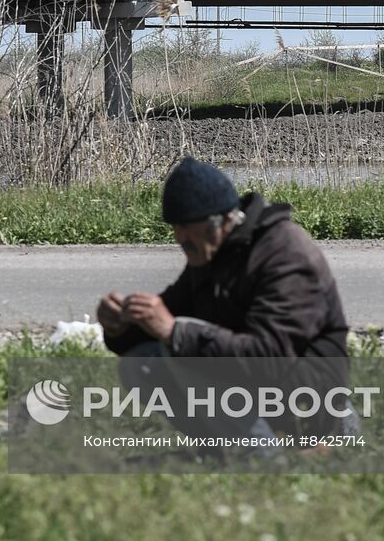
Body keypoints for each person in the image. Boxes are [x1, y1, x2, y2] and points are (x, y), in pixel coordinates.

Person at [97, 156, 350, 439]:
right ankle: (220, 449)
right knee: (141, 363)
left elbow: (269, 358)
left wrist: (175, 332)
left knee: (185, 353)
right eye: (175, 227)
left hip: (311, 394)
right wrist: (121, 325)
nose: (180, 238)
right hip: (257, 383)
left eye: (187, 227)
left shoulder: (285, 255)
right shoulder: (209, 253)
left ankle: (261, 458)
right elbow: (166, 316)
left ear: (221, 222)